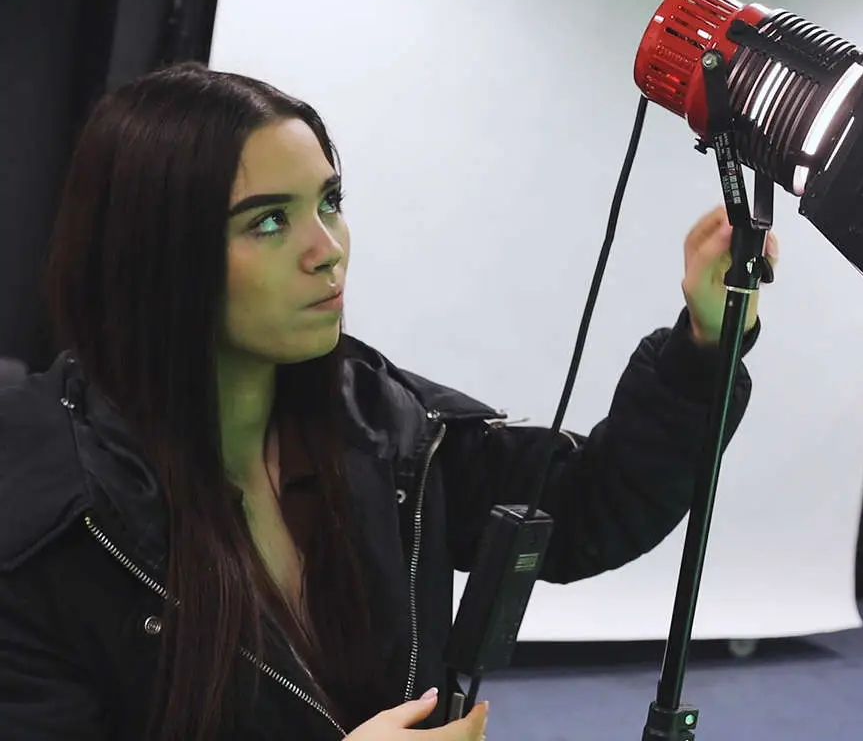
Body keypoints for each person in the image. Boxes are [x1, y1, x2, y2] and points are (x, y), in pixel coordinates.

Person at [0, 62, 776, 741]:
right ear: (156, 251)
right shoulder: (46, 529)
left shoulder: (382, 424)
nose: (327, 248)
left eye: (329, 202)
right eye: (269, 222)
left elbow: (583, 510)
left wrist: (704, 346)